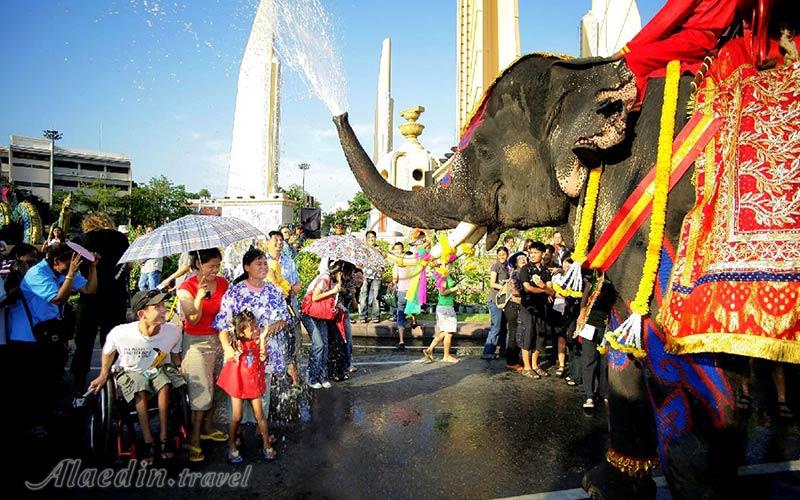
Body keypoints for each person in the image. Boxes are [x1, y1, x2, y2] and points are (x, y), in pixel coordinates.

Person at [88, 290, 184, 464]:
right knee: (139, 385)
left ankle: (164, 437)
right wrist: (103, 374)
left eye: (164, 305)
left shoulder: (173, 331)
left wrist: (179, 367)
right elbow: (108, 352)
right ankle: (148, 441)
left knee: (164, 383)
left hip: (156, 369)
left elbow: (176, 354)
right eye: (157, 307)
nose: (164, 310)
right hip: (130, 370)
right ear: (142, 314)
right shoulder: (121, 333)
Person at [213, 247, 288, 448]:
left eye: (265, 263)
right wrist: (227, 348)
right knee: (236, 392)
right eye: (259, 263)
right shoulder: (235, 292)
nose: (264, 266)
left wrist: (267, 331)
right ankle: (235, 430)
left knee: (262, 389)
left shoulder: (274, 291)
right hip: (240, 353)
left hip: (266, 350)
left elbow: (284, 319)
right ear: (247, 267)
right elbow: (222, 323)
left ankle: (259, 427)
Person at [177, 248, 229, 462]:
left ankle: (208, 428)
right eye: (211, 266)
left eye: (218, 265)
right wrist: (198, 296)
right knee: (201, 393)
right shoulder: (185, 287)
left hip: (219, 340)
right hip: (196, 344)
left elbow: (228, 309)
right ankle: (194, 439)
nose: (215, 270)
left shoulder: (223, 283)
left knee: (218, 387)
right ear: (198, 264)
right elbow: (193, 318)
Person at [70, 213, 131, 392]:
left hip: (89, 297)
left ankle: (79, 387)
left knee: (83, 344)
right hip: (115, 297)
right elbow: (126, 267)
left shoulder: (81, 240)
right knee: (112, 342)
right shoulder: (121, 239)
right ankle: (110, 386)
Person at [217, 309, 275, 463]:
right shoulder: (237, 344)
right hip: (238, 384)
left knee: (260, 415)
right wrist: (233, 344)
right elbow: (227, 336)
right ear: (241, 333)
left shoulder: (257, 342)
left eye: (256, 326)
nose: (256, 330)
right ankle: (231, 445)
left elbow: (263, 357)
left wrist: (262, 338)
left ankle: (266, 444)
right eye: (252, 328)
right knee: (237, 416)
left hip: (253, 383)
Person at [264, 230, 303, 386]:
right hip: (270, 313)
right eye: (276, 240)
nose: (279, 243)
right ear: (268, 242)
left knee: (291, 343)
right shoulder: (261, 262)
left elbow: (298, 283)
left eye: (281, 240)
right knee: (271, 344)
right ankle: (271, 380)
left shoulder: (289, 261)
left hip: (289, 308)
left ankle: (294, 380)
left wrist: (289, 290)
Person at [301, 259, 345, 389]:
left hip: (321, 315)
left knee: (325, 345)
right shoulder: (325, 278)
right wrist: (332, 291)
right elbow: (315, 297)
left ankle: (323, 376)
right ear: (338, 270)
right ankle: (312, 376)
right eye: (342, 272)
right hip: (310, 315)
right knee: (319, 345)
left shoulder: (332, 281)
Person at [576, 274, 614, 409]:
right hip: (590, 326)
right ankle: (589, 395)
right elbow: (584, 303)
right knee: (589, 360)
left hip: (607, 327)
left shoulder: (613, 284)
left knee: (604, 362)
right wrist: (581, 316)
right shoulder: (591, 282)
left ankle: (604, 392)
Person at [518, 242, 554, 378]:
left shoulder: (545, 271)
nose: (532, 255)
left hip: (541, 308)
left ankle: (535, 365)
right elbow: (528, 288)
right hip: (527, 308)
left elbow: (552, 291)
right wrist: (544, 289)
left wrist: (544, 288)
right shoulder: (525, 269)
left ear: (542, 254)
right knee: (527, 336)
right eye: (531, 252)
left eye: (535, 252)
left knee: (540, 337)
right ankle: (526, 367)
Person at [422, 271, 460, 364]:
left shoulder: (446, 276)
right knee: (449, 332)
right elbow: (442, 292)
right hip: (446, 308)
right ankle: (446, 356)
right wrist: (454, 289)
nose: (451, 266)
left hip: (444, 306)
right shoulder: (443, 277)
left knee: (444, 332)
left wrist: (455, 292)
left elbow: (447, 292)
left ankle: (430, 349)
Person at [482, 246, 510, 360]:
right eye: (500, 255)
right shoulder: (496, 266)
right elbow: (492, 283)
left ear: (507, 255)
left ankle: (503, 350)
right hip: (495, 301)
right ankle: (487, 351)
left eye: (504, 254)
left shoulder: (507, 267)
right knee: (496, 327)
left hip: (504, 301)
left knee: (504, 327)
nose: (502, 256)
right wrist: (505, 287)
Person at [503, 252, 528, 371]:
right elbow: (515, 291)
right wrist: (530, 292)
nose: (524, 261)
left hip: (520, 306)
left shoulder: (525, 273)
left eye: (525, 259)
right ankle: (511, 361)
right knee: (513, 333)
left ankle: (517, 359)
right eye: (521, 260)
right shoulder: (515, 274)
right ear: (516, 263)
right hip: (513, 306)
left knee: (519, 333)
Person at [358, 230, 382, 323]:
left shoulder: (379, 249)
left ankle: (375, 316)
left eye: (373, 237)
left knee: (376, 297)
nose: (372, 239)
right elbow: (359, 261)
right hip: (365, 275)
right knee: (363, 295)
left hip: (376, 275)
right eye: (369, 238)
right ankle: (362, 316)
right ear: (366, 239)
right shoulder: (363, 249)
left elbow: (383, 261)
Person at [391, 242, 411, 350]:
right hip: (411, 290)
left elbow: (395, 278)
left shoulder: (396, 264)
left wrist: (393, 283)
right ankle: (414, 320)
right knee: (412, 307)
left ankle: (401, 341)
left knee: (400, 314)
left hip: (402, 290)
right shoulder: (410, 261)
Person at [138, 226, 163, 291]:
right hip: (145, 267)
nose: (150, 233)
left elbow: (150, 253)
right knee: (142, 285)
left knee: (153, 286)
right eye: (148, 231)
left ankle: (155, 300)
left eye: (151, 231)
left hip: (153, 266)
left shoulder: (157, 241)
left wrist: (141, 260)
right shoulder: (146, 242)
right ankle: (147, 300)